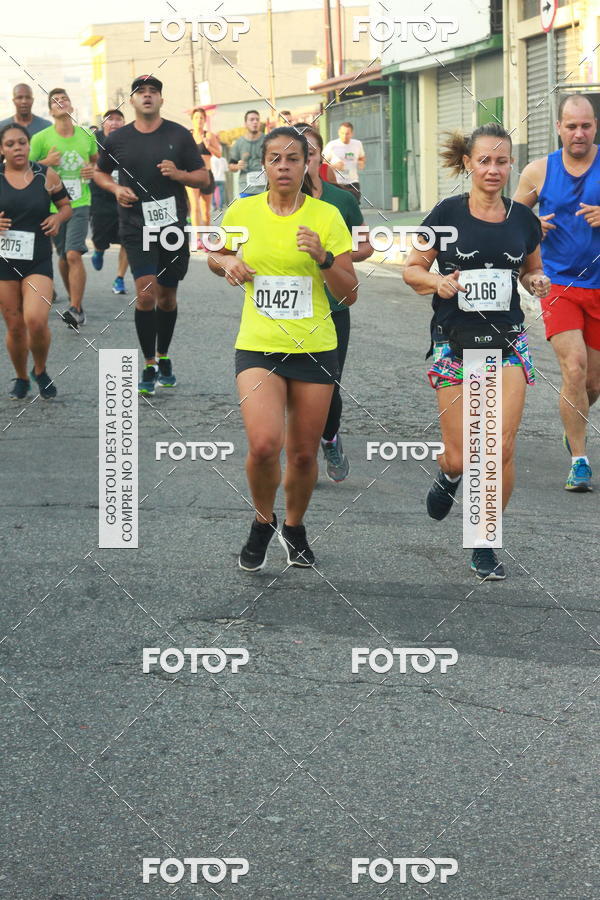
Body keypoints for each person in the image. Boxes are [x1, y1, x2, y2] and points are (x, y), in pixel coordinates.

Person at [403, 123, 550, 581]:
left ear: (511, 164)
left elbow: (531, 270)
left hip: (506, 340)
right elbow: (412, 269)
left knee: (500, 446)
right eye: (484, 160)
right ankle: (449, 476)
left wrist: (535, 283)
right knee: (461, 454)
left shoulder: (523, 219)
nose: (493, 169)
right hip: (455, 340)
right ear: (468, 164)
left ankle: (485, 537)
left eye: (502, 161)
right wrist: (438, 281)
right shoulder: (445, 215)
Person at [207, 126, 357, 570]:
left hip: (315, 347)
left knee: (305, 453)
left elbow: (349, 294)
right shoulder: (244, 211)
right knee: (264, 443)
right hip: (260, 346)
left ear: (307, 163)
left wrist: (324, 259)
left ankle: (294, 526)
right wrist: (228, 261)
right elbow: (215, 255)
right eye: (275, 158)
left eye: (294, 158)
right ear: (264, 165)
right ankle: (261, 520)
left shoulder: (327, 217)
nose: (285, 166)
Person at [94, 75, 209, 395]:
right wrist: (116, 188)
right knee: (146, 293)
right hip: (135, 225)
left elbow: (203, 177)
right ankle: (148, 363)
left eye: (153, 92)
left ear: (161, 99)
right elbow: (100, 173)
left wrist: (180, 174)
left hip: (172, 226)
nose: (147, 96)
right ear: (131, 101)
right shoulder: (118, 139)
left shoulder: (179, 135)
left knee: (167, 298)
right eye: (140, 92)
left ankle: (164, 355)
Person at [513, 93, 600, 492]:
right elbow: (508, 218)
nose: (578, 133)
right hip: (558, 283)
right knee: (574, 367)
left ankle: (573, 424)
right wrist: (533, 224)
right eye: (571, 126)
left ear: (594, 126)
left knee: (593, 383)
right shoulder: (538, 171)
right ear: (559, 128)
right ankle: (579, 460)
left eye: (585, 125)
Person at [296, 122, 373, 481]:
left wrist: (333, 257)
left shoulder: (341, 200)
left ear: (318, 158)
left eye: (308, 153)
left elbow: (365, 245)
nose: (300, 161)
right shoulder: (269, 203)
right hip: (288, 309)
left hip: (332, 305)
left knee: (328, 383)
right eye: (290, 155)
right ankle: (302, 451)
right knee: (291, 382)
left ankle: (328, 435)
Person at [0, 124, 71, 399]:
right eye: (10, 144)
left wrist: (57, 218)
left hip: (37, 258)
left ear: (29, 145)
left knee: (36, 320)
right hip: (4, 261)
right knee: (15, 325)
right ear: (2, 149)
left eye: (21, 143)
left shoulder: (46, 174)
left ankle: (39, 370)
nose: (17, 148)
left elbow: (66, 206)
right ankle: (20, 376)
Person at [29, 88, 97, 330]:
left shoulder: (86, 135)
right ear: (50, 110)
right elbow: (26, 169)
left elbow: (95, 161)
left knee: (73, 254)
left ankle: (77, 309)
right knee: (62, 257)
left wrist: (91, 170)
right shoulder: (40, 139)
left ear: (71, 107)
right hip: (52, 206)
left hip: (79, 202)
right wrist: (46, 163)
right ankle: (73, 301)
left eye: (65, 99)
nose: (61, 103)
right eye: (55, 101)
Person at [90, 110, 128, 294]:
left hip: (124, 195)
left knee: (127, 240)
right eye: (110, 119)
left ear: (123, 123)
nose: (114, 123)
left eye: (118, 119)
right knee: (100, 237)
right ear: (103, 123)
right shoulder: (93, 140)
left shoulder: (129, 140)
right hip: (100, 196)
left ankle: (119, 279)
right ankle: (99, 250)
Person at [187, 107, 220, 247]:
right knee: (195, 208)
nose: (199, 120)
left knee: (206, 211)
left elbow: (219, 154)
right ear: (192, 120)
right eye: (196, 118)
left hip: (207, 175)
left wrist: (208, 146)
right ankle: (197, 239)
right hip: (192, 175)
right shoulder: (187, 135)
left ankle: (206, 239)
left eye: (201, 118)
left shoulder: (209, 136)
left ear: (205, 120)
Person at [323, 122, 366, 203]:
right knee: (339, 206)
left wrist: (361, 163)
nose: (344, 136)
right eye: (342, 133)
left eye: (347, 134)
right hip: (336, 183)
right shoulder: (332, 145)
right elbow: (322, 163)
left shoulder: (357, 144)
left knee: (354, 205)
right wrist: (334, 166)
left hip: (353, 182)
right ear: (339, 132)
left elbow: (362, 158)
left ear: (352, 134)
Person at [229, 110, 266, 198]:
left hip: (265, 189)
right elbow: (231, 166)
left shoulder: (268, 140)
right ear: (245, 124)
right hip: (246, 189)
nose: (255, 122)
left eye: (257, 119)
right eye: (252, 119)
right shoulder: (239, 143)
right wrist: (237, 166)